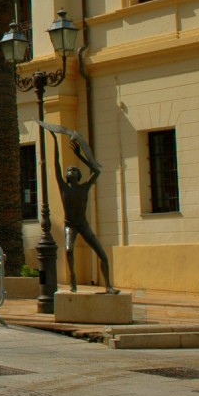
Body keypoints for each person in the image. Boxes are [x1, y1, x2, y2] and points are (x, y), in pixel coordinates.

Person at [38, 120, 118, 294]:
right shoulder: (64, 187)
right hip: (70, 225)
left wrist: (80, 155)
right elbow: (56, 165)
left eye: (74, 170)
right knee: (68, 250)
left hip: (83, 224)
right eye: (69, 171)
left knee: (102, 254)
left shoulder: (84, 187)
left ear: (79, 175)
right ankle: (73, 280)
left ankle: (108, 286)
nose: (71, 171)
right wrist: (53, 138)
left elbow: (97, 171)